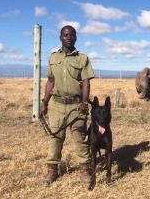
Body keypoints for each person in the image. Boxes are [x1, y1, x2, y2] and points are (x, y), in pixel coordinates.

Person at [40, 25, 94, 185]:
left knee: (81, 138)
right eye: (65, 34)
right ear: (60, 37)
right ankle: (52, 171)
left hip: (76, 106)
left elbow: (86, 82)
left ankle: (84, 171)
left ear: (76, 37)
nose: (69, 37)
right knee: (55, 138)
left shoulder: (82, 58)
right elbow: (50, 81)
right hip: (56, 105)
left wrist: (85, 102)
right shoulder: (53, 58)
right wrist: (44, 101)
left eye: (72, 35)